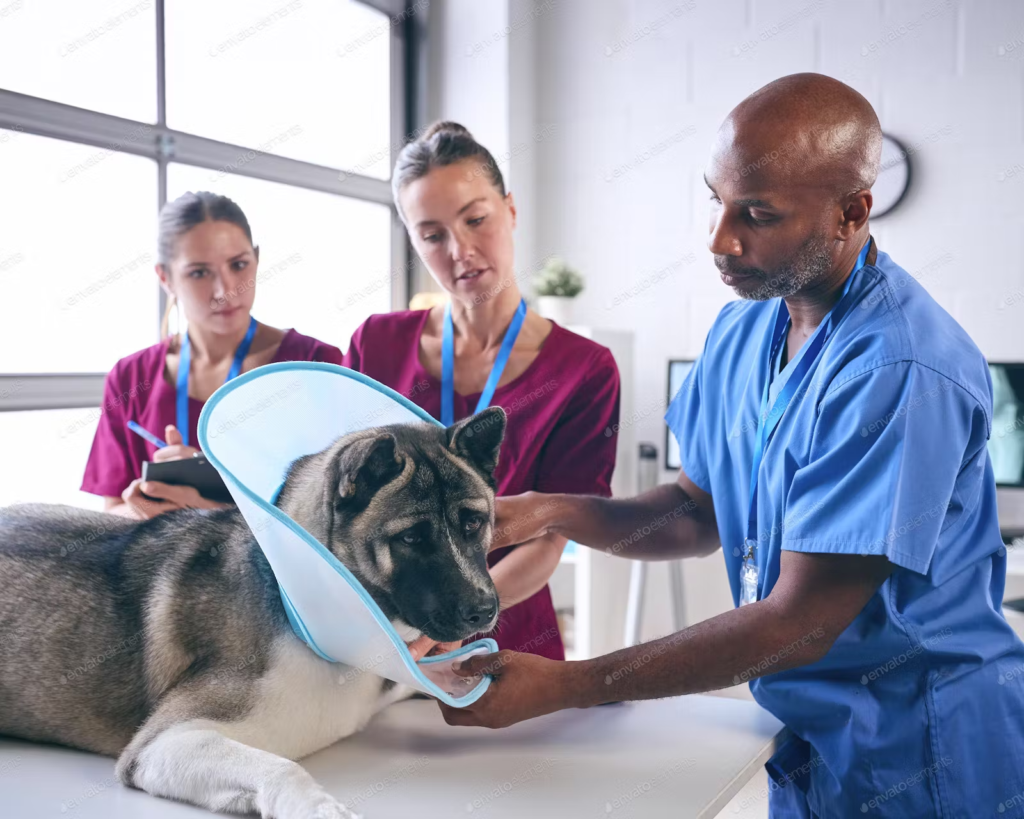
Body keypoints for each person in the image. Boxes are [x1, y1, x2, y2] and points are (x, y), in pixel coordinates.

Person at [437, 75, 1024, 818]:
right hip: (807, 737)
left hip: (926, 746)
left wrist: (570, 683)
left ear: (851, 213)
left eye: (758, 215)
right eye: (715, 200)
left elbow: (798, 622)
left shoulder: (899, 370)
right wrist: (551, 511)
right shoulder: (745, 328)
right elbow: (693, 509)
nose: (720, 239)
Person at [343, 121, 621, 663]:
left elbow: (550, 538)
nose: (460, 250)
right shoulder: (376, 344)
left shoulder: (583, 369)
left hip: (504, 640)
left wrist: (452, 626)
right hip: (381, 637)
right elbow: (341, 499)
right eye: (432, 234)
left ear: (510, 210)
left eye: (476, 219)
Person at [82, 192, 343, 519]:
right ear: (165, 278)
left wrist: (208, 512)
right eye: (200, 273)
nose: (225, 290)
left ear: (257, 260)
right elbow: (112, 510)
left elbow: (338, 512)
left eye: (238, 264)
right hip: (159, 568)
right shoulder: (130, 377)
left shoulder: (315, 364)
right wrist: (145, 508)